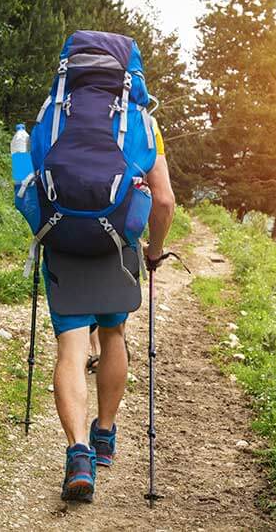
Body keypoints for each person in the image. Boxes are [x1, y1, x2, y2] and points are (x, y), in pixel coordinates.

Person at [46, 118, 175, 502]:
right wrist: (153, 250)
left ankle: (79, 455)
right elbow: (164, 200)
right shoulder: (143, 121)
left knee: (71, 349)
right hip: (117, 244)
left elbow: (26, 178)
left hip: (63, 240)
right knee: (113, 335)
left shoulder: (56, 110)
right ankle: (104, 435)